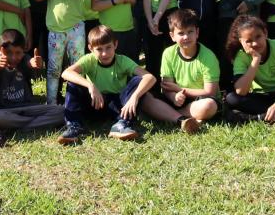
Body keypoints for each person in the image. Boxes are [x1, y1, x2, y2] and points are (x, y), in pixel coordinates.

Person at [57, 25, 192, 144]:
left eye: (108, 47)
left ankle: (122, 124)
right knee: (73, 82)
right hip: (95, 104)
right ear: (90, 49)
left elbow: (150, 77)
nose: (104, 53)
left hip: (119, 107)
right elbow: (66, 73)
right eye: (99, 49)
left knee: (138, 81)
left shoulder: (122, 61)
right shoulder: (89, 60)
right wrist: (90, 86)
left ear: (115, 45)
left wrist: (135, 97)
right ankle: (74, 126)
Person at [37, 0, 98, 104]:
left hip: (76, 29)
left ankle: (77, 101)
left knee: (77, 66)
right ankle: (51, 102)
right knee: (53, 69)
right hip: (55, 31)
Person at [0, 29, 64, 132]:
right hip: (5, 110)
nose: (13, 57)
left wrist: (34, 63)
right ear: (0, 50)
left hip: (29, 107)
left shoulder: (24, 60)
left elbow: (29, 62)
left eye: (18, 53)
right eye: (9, 52)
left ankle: (18, 127)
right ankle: (34, 124)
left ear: (23, 51)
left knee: (62, 111)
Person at [157, 9, 221, 127]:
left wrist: (180, 89)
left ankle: (174, 116)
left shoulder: (208, 56)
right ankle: (187, 118)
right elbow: (166, 87)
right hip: (178, 98)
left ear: (197, 33)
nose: (186, 37)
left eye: (190, 32)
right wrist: (174, 97)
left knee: (208, 106)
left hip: (201, 100)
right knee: (147, 98)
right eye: (181, 33)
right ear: (172, 36)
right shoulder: (168, 53)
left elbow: (210, 92)